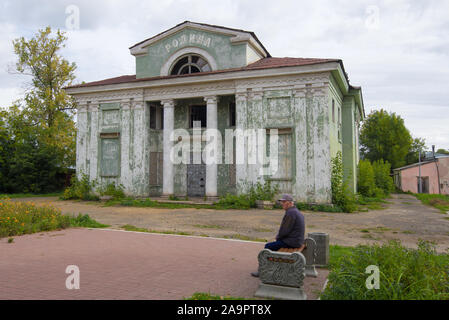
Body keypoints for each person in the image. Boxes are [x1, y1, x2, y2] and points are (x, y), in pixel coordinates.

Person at [251, 194, 305, 277]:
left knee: (268, 246)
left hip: (292, 242)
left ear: (290, 203)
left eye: (284, 202)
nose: (282, 203)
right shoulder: (295, 211)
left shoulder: (290, 213)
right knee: (275, 245)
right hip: (297, 241)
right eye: (281, 202)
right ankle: (272, 267)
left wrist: (278, 238)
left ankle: (262, 271)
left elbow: (285, 231)